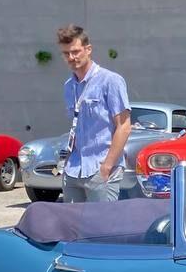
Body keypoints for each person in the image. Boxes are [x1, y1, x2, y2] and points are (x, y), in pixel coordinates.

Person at [56, 24, 131, 203]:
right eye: (66, 54)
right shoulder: (69, 86)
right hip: (74, 169)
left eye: (75, 51)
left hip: (100, 168)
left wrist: (107, 166)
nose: (71, 57)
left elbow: (124, 127)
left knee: (102, 220)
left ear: (88, 49)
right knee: (73, 220)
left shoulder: (110, 81)